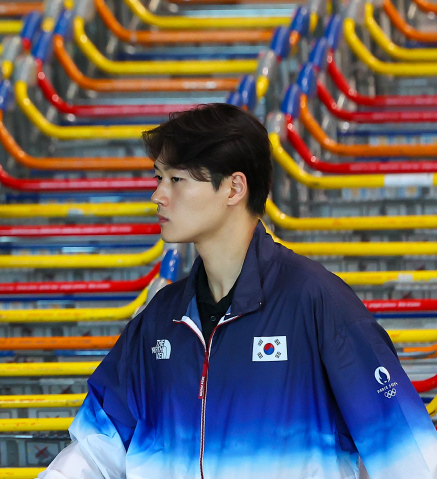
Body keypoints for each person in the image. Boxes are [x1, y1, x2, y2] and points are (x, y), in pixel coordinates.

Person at [37, 104, 437, 479]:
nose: (158, 195)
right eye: (159, 178)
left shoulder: (317, 303)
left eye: (176, 179)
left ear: (234, 189)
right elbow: (94, 451)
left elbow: (408, 454)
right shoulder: (160, 321)